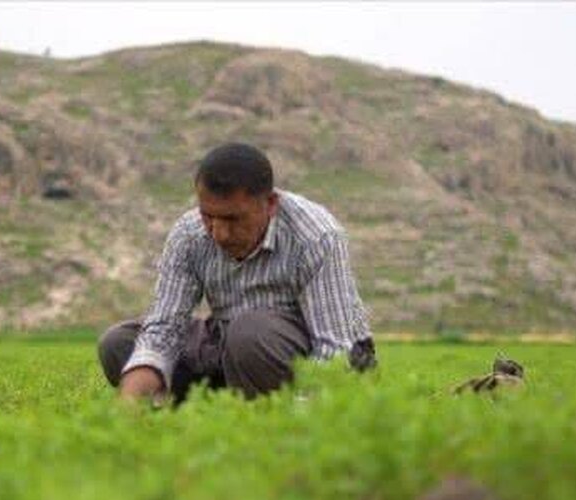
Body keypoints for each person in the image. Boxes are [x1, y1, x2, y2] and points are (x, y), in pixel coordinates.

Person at [97, 142, 374, 404]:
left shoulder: (316, 236)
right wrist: (127, 408)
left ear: (271, 204)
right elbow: (163, 329)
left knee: (249, 334)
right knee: (120, 345)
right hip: (229, 342)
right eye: (208, 216)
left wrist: (301, 414)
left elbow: (335, 350)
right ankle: (204, 412)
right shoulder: (189, 233)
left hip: (305, 350)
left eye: (232, 219)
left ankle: (267, 417)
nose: (219, 233)